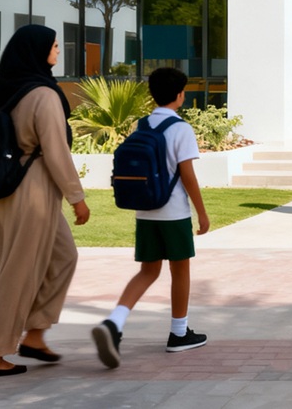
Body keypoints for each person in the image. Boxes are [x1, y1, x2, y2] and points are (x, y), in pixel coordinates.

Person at [0, 24, 90, 378]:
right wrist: (77, 198)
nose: (57, 51)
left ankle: (34, 334)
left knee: (62, 256)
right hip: (33, 192)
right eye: (53, 46)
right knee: (15, 272)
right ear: (37, 51)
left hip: (3, 190)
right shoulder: (44, 95)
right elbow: (56, 151)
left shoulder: (1, 92)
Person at [91, 67, 210, 369]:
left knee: (148, 271)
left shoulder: (141, 125)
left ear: (152, 93)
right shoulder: (181, 129)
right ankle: (179, 333)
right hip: (173, 212)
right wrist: (202, 212)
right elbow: (188, 176)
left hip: (145, 211)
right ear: (180, 95)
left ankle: (115, 322)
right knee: (180, 270)